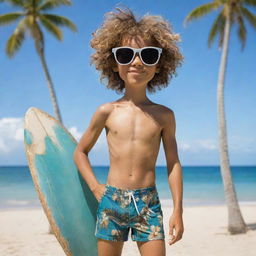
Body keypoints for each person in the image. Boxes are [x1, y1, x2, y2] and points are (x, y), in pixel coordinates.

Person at [73, 6, 184, 256]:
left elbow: (173, 163)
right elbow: (80, 152)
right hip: (112, 200)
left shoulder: (164, 116)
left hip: (149, 204)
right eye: (125, 54)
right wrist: (95, 188)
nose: (136, 61)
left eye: (148, 55)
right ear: (113, 64)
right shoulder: (106, 111)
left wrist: (178, 209)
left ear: (159, 65)